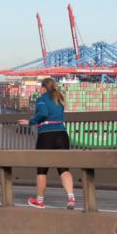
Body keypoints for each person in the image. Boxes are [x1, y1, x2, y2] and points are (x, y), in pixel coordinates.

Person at [19, 77, 76, 209]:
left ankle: (39, 201)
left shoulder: (42, 99)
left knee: (42, 170)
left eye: (40, 87)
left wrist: (30, 122)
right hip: (62, 135)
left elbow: (43, 113)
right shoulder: (59, 98)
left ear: (44, 88)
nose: (39, 90)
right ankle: (71, 197)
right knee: (63, 168)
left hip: (46, 135)